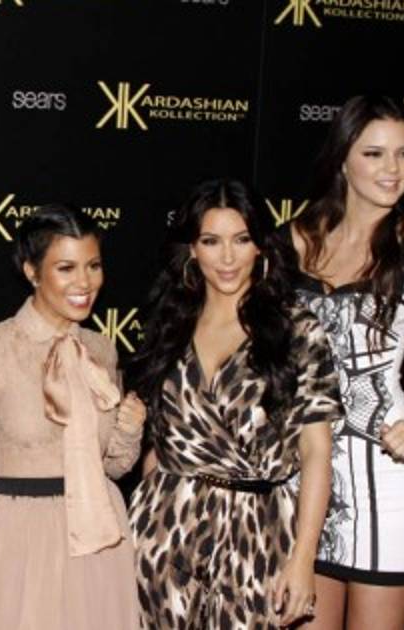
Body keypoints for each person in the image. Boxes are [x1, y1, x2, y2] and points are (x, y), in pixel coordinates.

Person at [126, 179, 339, 629]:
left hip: (256, 533)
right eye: (211, 241)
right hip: (165, 533)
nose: (227, 258)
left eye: (241, 240)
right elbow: (160, 442)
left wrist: (303, 559)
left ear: (260, 246)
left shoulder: (296, 329)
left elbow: (317, 451)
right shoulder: (170, 324)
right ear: (192, 249)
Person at [289, 95, 404, 630]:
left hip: (386, 483)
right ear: (342, 158)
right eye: (374, 154)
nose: (393, 169)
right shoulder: (293, 240)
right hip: (300, 482)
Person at [0, 204, 145, 630]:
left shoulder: (101, 349)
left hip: (100, 536)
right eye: (66, 268)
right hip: (21, 538)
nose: (85, 282)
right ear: (32, 271)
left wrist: (129, 430)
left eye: (93, 266)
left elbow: (113, 466)